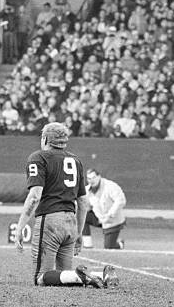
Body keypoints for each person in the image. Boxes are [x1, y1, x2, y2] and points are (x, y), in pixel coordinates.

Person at [14, 123, 118, 288]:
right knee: (66, 278)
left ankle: (90, 276)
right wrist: (78, 233)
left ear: (45, 138)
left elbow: (34, 196)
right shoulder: (76, 161)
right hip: (70, 222)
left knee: (40, 277)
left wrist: (20, 227)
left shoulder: (38, 157)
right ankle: (101, 274)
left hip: (50, 221)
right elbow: (83, 202)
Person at [82, 169, 126, 250]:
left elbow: (121, 200)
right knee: (81, 217)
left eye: (94, 177)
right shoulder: (87, 190)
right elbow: (84, 205)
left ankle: (120, 244)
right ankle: (88, 245)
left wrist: (110, 215)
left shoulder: (110, 186)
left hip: (113, 221)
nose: (91, 180)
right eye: (89, 179)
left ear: (99, 177)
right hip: (99, 219)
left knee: (108, 247)